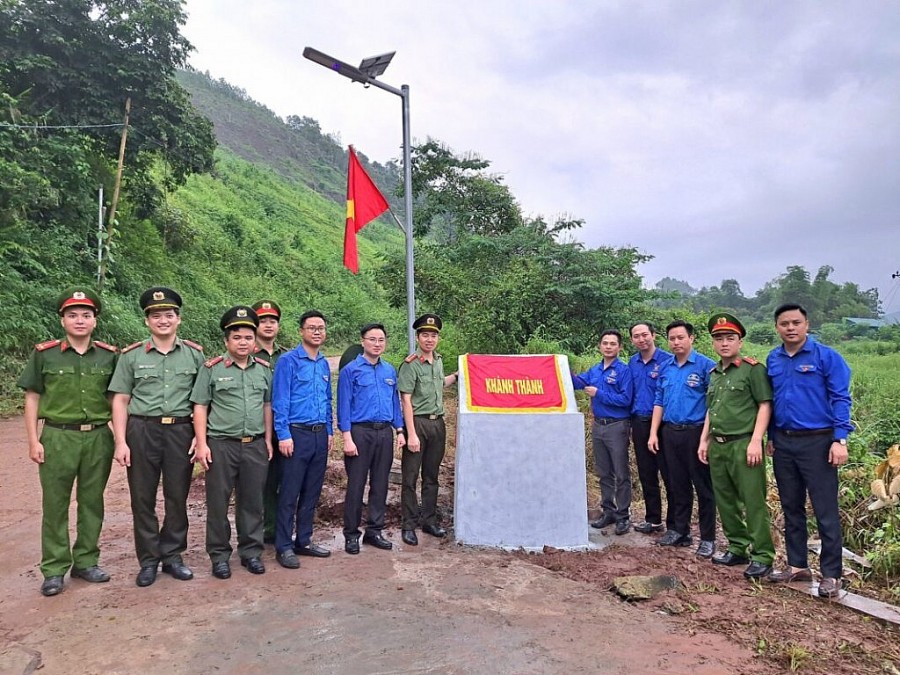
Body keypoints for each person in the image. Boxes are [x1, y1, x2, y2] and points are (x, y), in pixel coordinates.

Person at [18, 289, 118, 597]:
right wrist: (34, 440)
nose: (79, 320)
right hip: (58, 436)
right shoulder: (45, 354)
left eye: (86, 315)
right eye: (72, 315)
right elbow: (32, 397)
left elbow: (116, 399)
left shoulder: (109, 355)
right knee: (55, 505)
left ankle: (86, 561)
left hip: (99, 437)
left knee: (92, 502)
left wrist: (121, 438)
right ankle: (54, 569)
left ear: (94, 321)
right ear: (62, 320)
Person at [109, 287, 205, 587]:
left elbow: (203, 400)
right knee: (142, 498)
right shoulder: (131, 355)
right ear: (147, 320)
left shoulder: (195, 355)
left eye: (169, 315)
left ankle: (173, 556)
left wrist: (199, 437)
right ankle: (149, 560)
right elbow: (120, 399)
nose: (163, 320)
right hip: (142, 430)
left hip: (180, 430)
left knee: (177, 496)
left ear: (179, 319)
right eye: (156, 315)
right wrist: (121, 440)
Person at [765, 303, 852, 598]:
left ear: (806, 324)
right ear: (776, 327)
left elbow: (841, 398)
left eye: (796, 322)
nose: (790, 328)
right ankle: (797, 565)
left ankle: (831, 574)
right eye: (784, 323)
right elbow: (772, 401)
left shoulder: (826, 357)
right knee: (791, 506)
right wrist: (771, 436)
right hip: (784, 442)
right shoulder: (773, 359)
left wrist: (840, 440)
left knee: (825, 509)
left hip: (819, 441)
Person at [191, 306, 273, 579]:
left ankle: (251, 552)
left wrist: (269, 440)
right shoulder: (211, 369)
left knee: (252, 502)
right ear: (226, 341)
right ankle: (219, 555)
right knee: (218, 502)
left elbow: (267, 406)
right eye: (236, 337)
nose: (243, 342)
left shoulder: (262, 370)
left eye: (248, 337)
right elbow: (200, 406)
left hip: (254, 444)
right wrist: (201, 443)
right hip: (221, 444)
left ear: (255, 340)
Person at [697, 313, 775, 580]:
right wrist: (704, 440)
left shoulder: (753, 369)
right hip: (718, 445)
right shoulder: (714, 373)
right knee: (725, 500)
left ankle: (762, 555)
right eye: (719, 339)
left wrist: (756, 441)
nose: (724, 343)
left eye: (730, 338)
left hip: (743, 443)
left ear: (739, 341)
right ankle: (737, 547)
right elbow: (711, 409)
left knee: (753, 501)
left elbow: (765, 404)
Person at [648, 320, 717, 557]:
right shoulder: (666, 367)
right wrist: (653, 432)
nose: (676, 342)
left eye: (680, 338)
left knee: (703, 487)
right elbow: (659, 400)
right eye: (672, 339)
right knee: (677, 485)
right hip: (670, 432)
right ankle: (680, 530)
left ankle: (708, 538)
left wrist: (705, 439)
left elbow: (712, 406)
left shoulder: (706, 367)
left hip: (696, 432)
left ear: (692, 338)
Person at [271, 310, 333, 569]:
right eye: (311, 328)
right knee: (290, 492)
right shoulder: (288, 361)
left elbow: (328, 400)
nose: (317, 332)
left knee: (312, 491)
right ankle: (283, 545)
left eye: (321, 328)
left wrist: (330, 431)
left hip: (320, 435)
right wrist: (283, 435)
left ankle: (304, 540)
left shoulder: (323, 363)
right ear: (301, 331)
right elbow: (280, 400)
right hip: (296, 434)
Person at [337, 323, 406, 553]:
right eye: (372, 339)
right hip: (360, 432)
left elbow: (395, 403)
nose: (377, 344)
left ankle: (374, 531)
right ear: (363, 341)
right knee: (356, 485)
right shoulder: (351, 370)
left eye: (381, 340)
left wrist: (400, 430)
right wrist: (347, 437)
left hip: (384, 433)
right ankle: (351, 534)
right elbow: (344, 406)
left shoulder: (389, 371)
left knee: (380, 484)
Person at [397, 313, 458, 546]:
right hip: (418, 424)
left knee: (432, 476)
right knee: (410, 477)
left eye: (433, 335)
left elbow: (440, 383)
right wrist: (411, 433)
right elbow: (406, 400)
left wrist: (457, 375)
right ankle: (408, 524)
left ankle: (429, 521)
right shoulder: (411, 364)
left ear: (438, 339)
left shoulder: (438, 361)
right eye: (425, 335)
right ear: (418, 337)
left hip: (438, 424)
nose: (429, 339)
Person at [572, 329, 635, 535]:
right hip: (598, 425)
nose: (608, 346)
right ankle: (608, 511)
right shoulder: (595, 370)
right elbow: (576, 383)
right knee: (604, 472)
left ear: (620, 347)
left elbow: (626, 400)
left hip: (617, 426)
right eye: (605, 343)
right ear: (600, 346)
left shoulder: (624, 371)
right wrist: (560, 369)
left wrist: (600, 393)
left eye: (613, 343)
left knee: (620, 472)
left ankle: (623, 515)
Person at [627, 322, 674, 535]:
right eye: (636, 336)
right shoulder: (632, 362)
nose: (641, 339)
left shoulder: (667, 360)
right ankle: (653, 519)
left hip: (664, 425)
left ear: (653, 335)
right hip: (639, 422)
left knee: (670, 473)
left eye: (645, 334)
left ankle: (675, 523)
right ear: (632, 340)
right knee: (647, 473)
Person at [251, 300, 288, 545]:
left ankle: (278, 529)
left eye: (272, 321)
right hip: (255, 428)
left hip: (283, 429)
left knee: (283, 481)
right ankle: (259, 531)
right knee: (258, 484)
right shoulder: (246, 353)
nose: (267, 325)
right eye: (262, 320)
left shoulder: (287, 356)